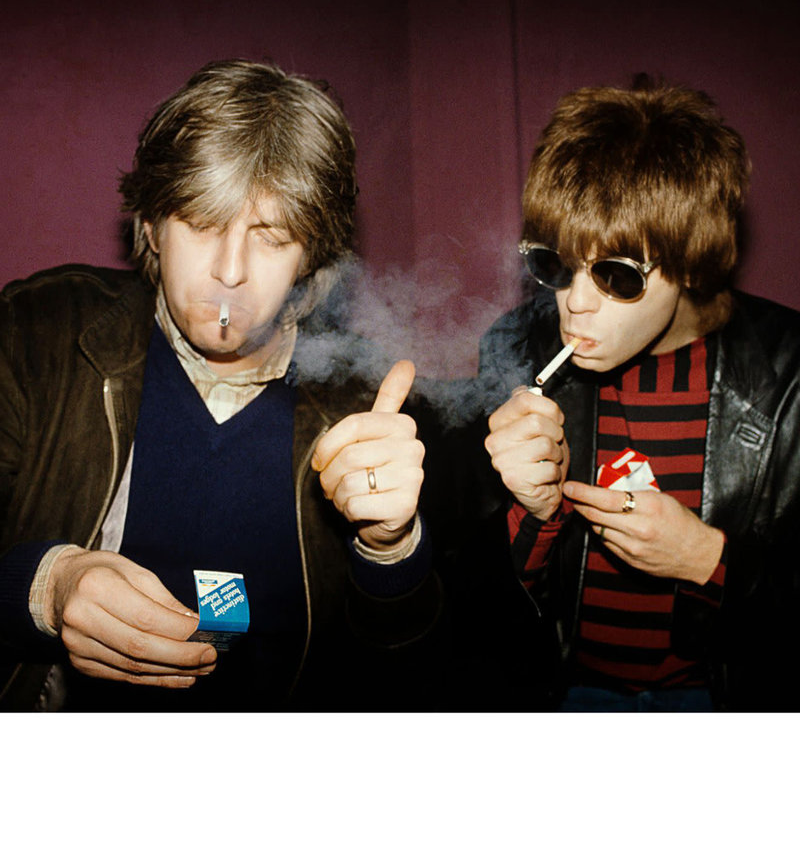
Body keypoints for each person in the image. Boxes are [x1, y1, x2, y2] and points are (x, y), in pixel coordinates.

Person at [0, 58, 440, 711]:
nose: (229, 272)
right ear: (151, 223)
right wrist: (46, 587)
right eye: (203, 222)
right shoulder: (39, 334)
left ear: (311, 257)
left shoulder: (372, 406)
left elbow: (417, 680)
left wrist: (391, 548)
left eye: (271, 236)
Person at [478, 79, 800, 711]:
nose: (575, 300)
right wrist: (532, 513)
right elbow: (478, 618)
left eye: (617, 274)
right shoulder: (516, 350)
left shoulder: (788, 372)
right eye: (555, 264)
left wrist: (707, 559)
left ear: (687, 264)